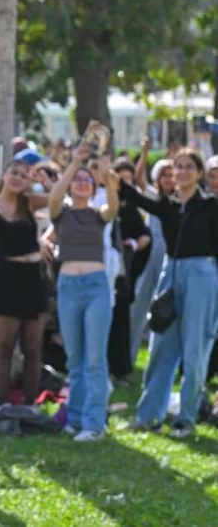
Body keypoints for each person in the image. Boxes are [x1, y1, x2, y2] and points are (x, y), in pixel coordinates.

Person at [119, 150, 218, 438]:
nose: (183, 172)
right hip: (171, 273)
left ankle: (185, 419)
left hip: (203, 274)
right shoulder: (168, 206)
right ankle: (148, 416)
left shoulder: (212, 205)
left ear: (199, 174)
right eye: (179, 167)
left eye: (190, 167)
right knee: (161, 346)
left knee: (195, 349)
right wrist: (109, 174)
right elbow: (136, 197)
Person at [48, 146, 119, 441]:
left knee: (95, 360)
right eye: (76, 180)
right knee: (74, 359)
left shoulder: (98, 214)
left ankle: (94, 424)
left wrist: (105, 176)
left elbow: (113, 205)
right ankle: (75, 420)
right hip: (67, 287)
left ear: (92, 187)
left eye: (86, 180)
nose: (81, 183)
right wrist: (75, 163)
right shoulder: (60, 214)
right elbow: (54, 196)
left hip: (95, 286)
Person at [0, 161, 51, 407]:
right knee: (4, 346)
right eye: (14, 172)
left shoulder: (29, 202)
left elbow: (58, 200)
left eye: (23, 175)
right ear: (4, 174)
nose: (18, 178)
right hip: (7, 277)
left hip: (34, 277)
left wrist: (45, 181)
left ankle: (31, 404)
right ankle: (3, 404)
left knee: (33, 348)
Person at [107, 158, 150, 385]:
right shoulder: (101, 200)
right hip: (100, 271)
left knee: (121, 321)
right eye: (119, 178)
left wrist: (132, 244)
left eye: (127, 179)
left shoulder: (130, 208)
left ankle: (120, 369)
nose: (123, 183)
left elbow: (145, 237)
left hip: (122, 275)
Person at [130, 141, 173, 364]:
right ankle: (129, 356)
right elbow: (139, 179)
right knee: (138, 306)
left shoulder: (181, 201)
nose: (168, 178)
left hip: (171, 258)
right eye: (164, 174)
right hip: (150, 258)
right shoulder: (153, 196)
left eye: (171, 174)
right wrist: (145, 153)